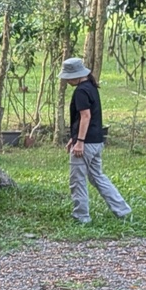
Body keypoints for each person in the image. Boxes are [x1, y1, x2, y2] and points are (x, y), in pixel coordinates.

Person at [59, 57, 131, 223]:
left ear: (76, 76)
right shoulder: (90, 87)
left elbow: (85, 116)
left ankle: (81, 216)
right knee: (97, 176)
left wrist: (80, 142)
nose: (67, 80)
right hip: (96, 140)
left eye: (68, 77)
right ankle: (122, 210)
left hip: (86, 143)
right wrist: (74, 138)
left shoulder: (81, 91)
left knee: (77, 180)